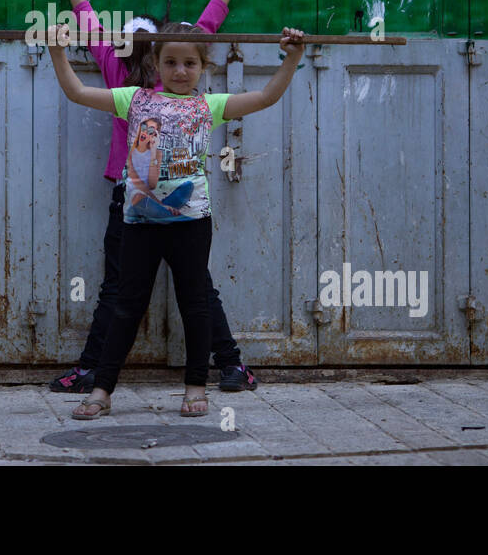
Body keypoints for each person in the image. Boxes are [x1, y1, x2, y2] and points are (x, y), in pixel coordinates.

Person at [45, 21, 306, 419]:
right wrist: (57, 50)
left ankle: (195, 386)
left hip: (191, 223)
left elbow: (267, 96)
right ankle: (102, 389)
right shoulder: (134, 100)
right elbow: (76, 91)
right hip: (140, 224)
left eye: (189, 63)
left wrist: (293, 57)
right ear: (156, 63)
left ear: (203, 66)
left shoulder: (209, 106)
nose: (180, 70)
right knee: (126, 307)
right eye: (170, 62)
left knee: (195, 304)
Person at [37, 0, 262, 394]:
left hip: (135, 196)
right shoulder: (170, 71)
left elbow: (89, 22)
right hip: (154, 200)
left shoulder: (120, 71)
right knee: (195, 289)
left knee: (121, 289)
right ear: (160, 51)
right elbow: (208, 22)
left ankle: (91, 372)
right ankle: (232, 365)